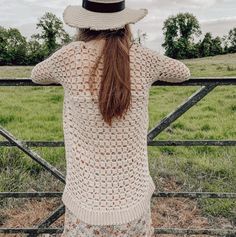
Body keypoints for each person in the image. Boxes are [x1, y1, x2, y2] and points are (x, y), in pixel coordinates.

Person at [31, 0, 191, 236]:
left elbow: (36, 75)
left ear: (84, 24)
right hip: (133, 203)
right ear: (125, 22)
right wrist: (136, 51)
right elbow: (183, 72)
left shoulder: (68, 57)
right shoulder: (142, 57)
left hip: (84, 205)